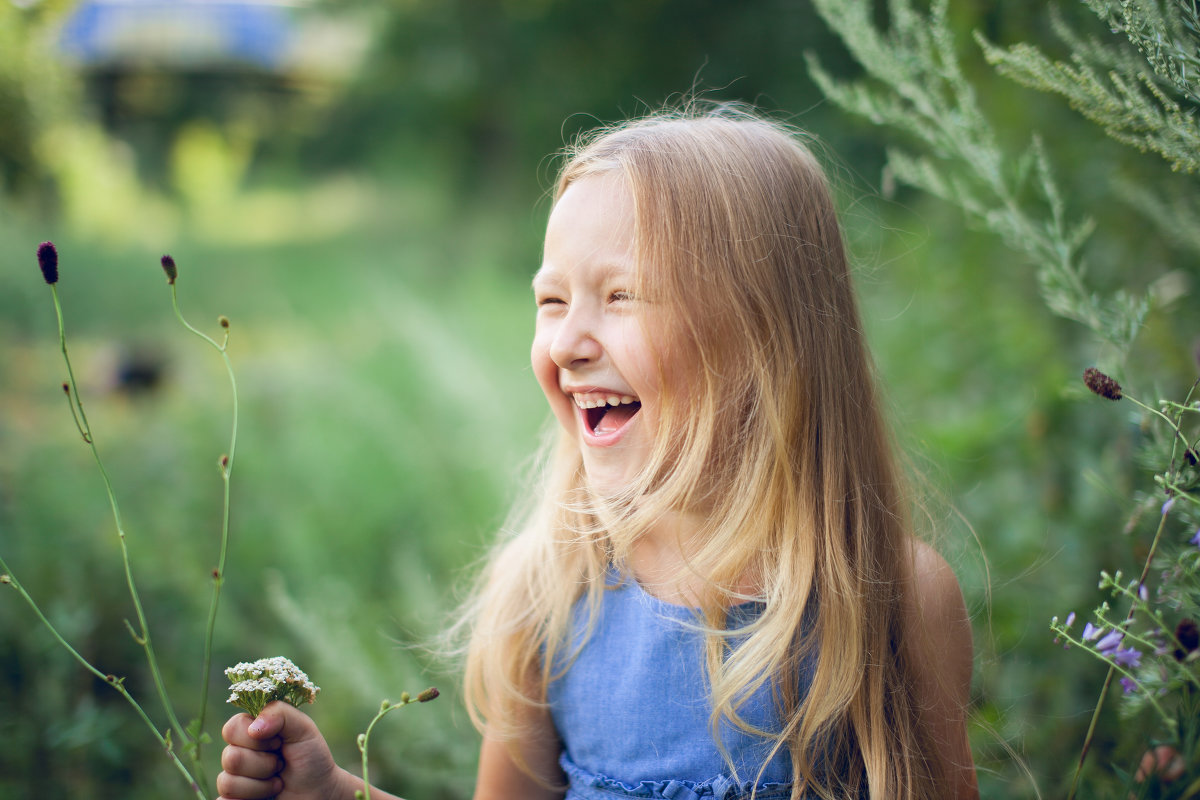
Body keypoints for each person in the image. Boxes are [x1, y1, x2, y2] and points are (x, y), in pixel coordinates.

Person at [216, 105, 978, 800]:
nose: (568, 344)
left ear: (762, 336)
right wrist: (330, 794)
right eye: (552, 301)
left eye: (620, 296)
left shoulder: (889, 599)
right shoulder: (548, 596)